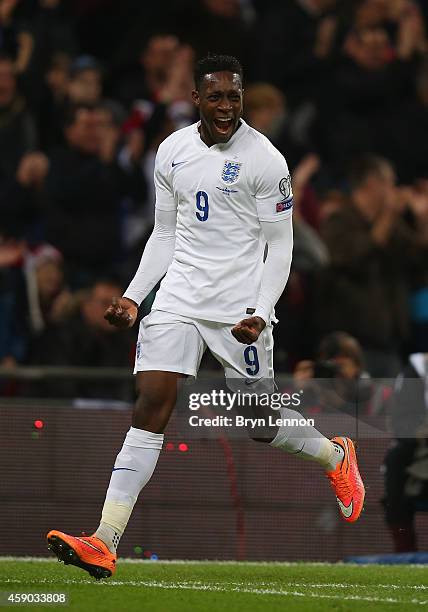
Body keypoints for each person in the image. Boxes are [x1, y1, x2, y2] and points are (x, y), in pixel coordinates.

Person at [46, 54, 365, 579]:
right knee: (152, 399)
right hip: (179, 297)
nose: (225, 107)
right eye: (214, 97)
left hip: (240, 308)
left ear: (243, 98)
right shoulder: (171, 150)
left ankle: (335, 456)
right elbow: (165, 234)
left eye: (233, 97)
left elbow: (280, 247)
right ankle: (104, 540)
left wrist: (261, 313)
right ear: (196, 98)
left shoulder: (266, 160)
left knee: (258, 423)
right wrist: (133, 296)